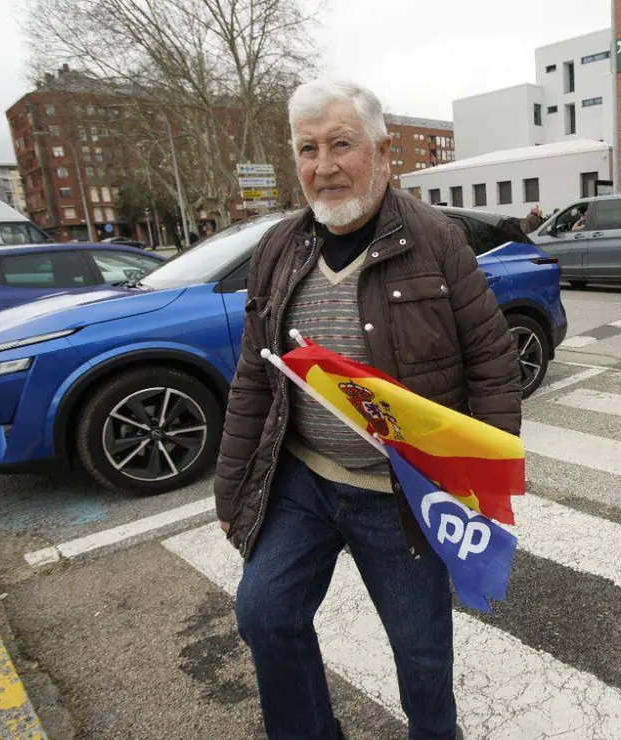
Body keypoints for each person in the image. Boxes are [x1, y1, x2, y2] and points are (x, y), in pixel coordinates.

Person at [221, 78, 521, 740]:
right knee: (264, 613)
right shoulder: (277, 249)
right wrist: (233, 485)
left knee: (421, 660)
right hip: (303, 483)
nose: (322, 166)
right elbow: (253, 376)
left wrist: (479, 483)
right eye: (307, 149)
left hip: (399, 496)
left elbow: (493, 363)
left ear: (384, 153)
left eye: (340, 144)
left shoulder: (435, 241)